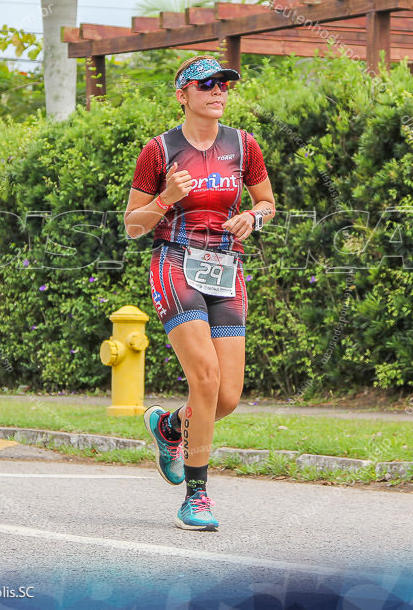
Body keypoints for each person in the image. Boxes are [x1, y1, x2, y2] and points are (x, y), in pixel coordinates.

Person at [124, 55, 276, 531]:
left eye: (224, 85)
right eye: (206, 84)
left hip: (226, 270)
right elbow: (132, 226)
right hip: (175, 264)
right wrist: (165, 199)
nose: (218, 92)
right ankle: (196, 497)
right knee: (205, 380)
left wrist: (254, 218)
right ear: (182, 95)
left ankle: (169, 427)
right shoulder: (159, 151)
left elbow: (267, 202)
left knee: (226, 397)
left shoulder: (244, 146)